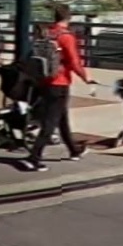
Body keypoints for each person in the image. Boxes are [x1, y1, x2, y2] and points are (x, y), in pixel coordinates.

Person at [37, 12, 88, 158]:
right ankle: (35, 156)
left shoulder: (47, 33)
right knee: (51, 122)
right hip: (60, 81)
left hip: (44, 79)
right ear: (68, 18)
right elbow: (74, 62)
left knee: (62, 117)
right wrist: (86, 77)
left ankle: (73, 150)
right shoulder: (66, 36)